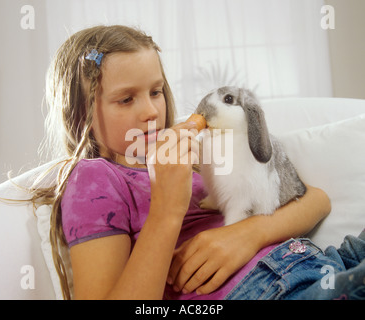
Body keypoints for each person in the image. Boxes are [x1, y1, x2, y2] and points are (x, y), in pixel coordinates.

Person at [32, 25, 363, 300]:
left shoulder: (193, 158)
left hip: (318, 262)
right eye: (127, 98)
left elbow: (316, 199)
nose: (151, 111)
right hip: (266, 291)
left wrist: (246, 235)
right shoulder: (94, 179)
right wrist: (166, 210)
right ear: (82, 115)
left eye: (156, 91)